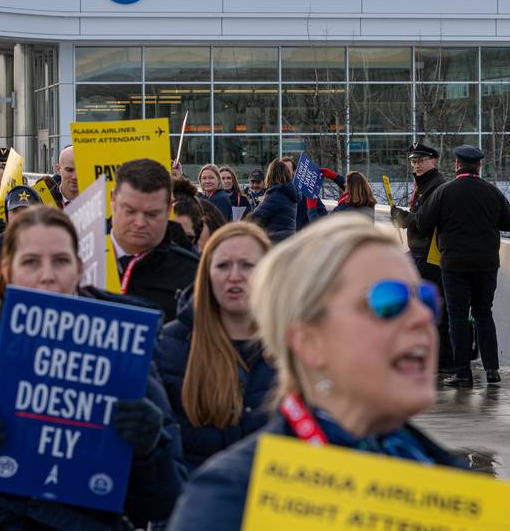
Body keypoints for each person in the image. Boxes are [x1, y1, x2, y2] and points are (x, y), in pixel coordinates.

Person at [167, 215, 461, 530]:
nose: (421, 318)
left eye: (427, 300)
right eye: (388, 301)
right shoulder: (229, 501)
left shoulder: (456, 485)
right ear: (309, 342)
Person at [0, 207, 187, 529]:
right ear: (7, 270)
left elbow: (165, 501)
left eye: (60, 261)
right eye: (31, 262)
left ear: (79, 268)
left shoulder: (122, 348)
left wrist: (150, 449)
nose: (47, 275)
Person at [156, 223, 276, 471]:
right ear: (206, 274)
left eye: (247, 265)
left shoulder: (297, 349)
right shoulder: (169, 346)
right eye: (223, 265)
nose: (234, 276)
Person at [415, 145, 510, 387]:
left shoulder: (444, 192)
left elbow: (422, 223)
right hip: (486, 263)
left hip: (454, 263)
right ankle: (492, 369)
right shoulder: (492, 192)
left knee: (457, 316)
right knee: (484, 312)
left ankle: (462, 373)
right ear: (479, 167)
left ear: (456, 165)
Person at [389, 142, 453, 373]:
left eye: (421, 161)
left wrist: (402, 217)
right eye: (414, 161)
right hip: (420, 253)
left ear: (433, 161)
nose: (416, 165)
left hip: (428, 255)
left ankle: (441, 359)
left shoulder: (436, 186)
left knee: (431, 309)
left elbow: (423, 222)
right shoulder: (425, 185)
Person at [111, 158, 201, 321]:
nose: (140, 223)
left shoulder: (193, 274)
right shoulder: (76, 257)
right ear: (113, 201)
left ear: (169, 209)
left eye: (152, 214)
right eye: (130, 211)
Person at [248, 159, 299, 243]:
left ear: (270, 174)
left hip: (275, 242)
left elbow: (255, 217)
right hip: (287, 241)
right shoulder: (289, 193)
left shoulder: (276, 194)